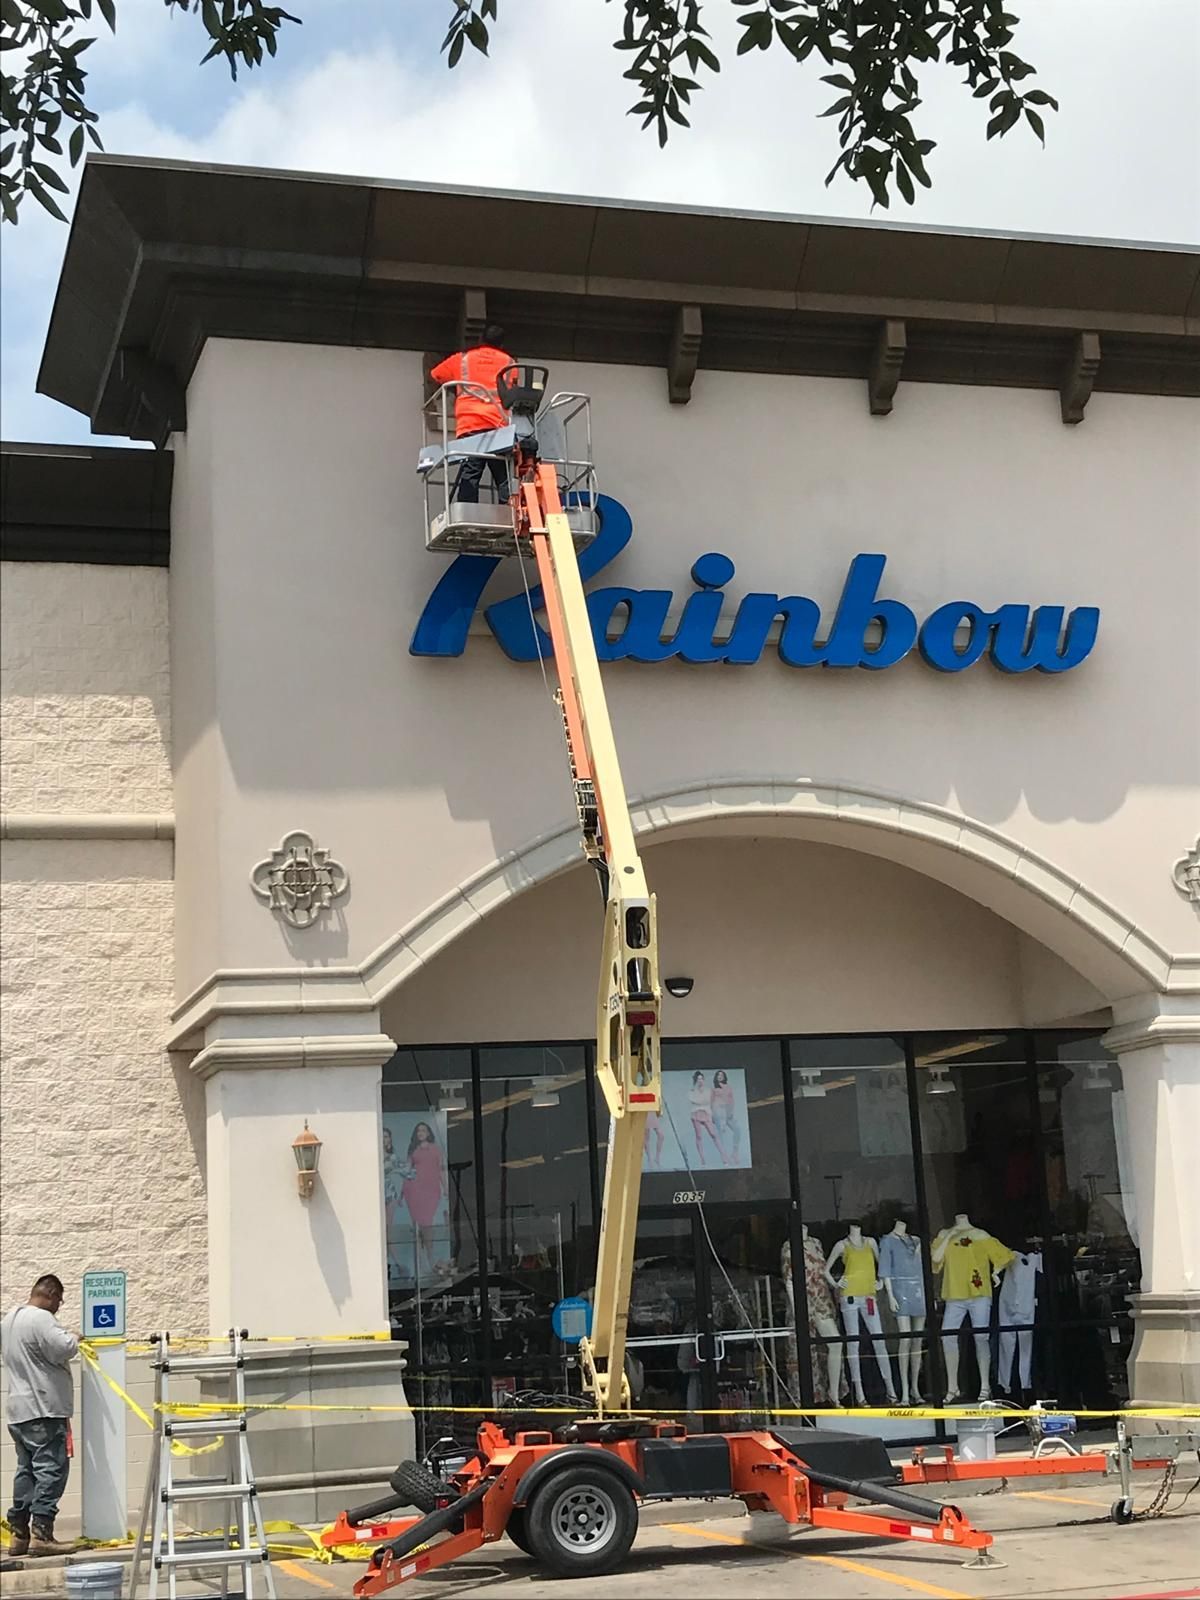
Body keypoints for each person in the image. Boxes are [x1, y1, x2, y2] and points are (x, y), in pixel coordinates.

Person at [1, 1274, 79, 1558]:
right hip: (44, 1409)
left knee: (26, 1470)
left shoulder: (9, 1320)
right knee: (51, 1469)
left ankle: (18, 1534)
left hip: (18, 1411)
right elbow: (64, 1348)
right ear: (49, 1294)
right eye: (59, 1299)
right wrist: (75, 1336)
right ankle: (42, 1534)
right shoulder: (42, 1319)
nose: (60, 1304)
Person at [429, 326, 514, 504]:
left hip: (471, 423)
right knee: (502, 473)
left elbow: (436, 374)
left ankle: (467, 509)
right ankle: (510, 509)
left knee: (471, 471)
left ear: (480, 340)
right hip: (498, 424)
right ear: (502, 344)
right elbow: (512, 390)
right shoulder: (510, 363)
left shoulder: (463, 359)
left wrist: (456, 385)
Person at [402, 1122, 448, 1278]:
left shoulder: (436, 1149)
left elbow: (441, 1170)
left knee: (428, 1223)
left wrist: (446, 1188)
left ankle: (430, 1258)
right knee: (419, 1226)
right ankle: (422, 1263)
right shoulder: (413, 1150)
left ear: (428, 1133)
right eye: (418, 1130)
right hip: (414, 1189)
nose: (421, 1133)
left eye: (424, 1130)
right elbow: (407, 1172)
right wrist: (402, 1192)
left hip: (431, 1189)